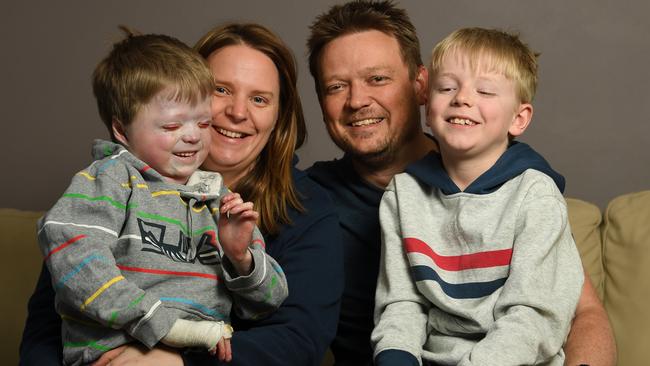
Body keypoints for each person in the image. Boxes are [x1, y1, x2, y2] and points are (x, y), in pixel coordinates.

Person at [306, 1, 616, 365]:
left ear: (421, 86)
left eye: (377, 78)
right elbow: (399, 308)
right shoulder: (310, 199)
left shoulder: (523, 187)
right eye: (336, 86)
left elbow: (577, 314)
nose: (357, 100)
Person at [20, 23, 343, 366]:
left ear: (279, 117)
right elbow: (51, 316)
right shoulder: (109, 185)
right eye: (221, 90)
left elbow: (295, 336)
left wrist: (178, 360)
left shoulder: (258, 205)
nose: (237, 112)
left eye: (259, 99)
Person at [372, 27, 584, 365]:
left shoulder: (536, 196)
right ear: (427, 104)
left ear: (519, 118)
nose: (462, 98)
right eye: (447, 87)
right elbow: (401, 304)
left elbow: (533, 318)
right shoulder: (402, 195)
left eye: (485, 90)